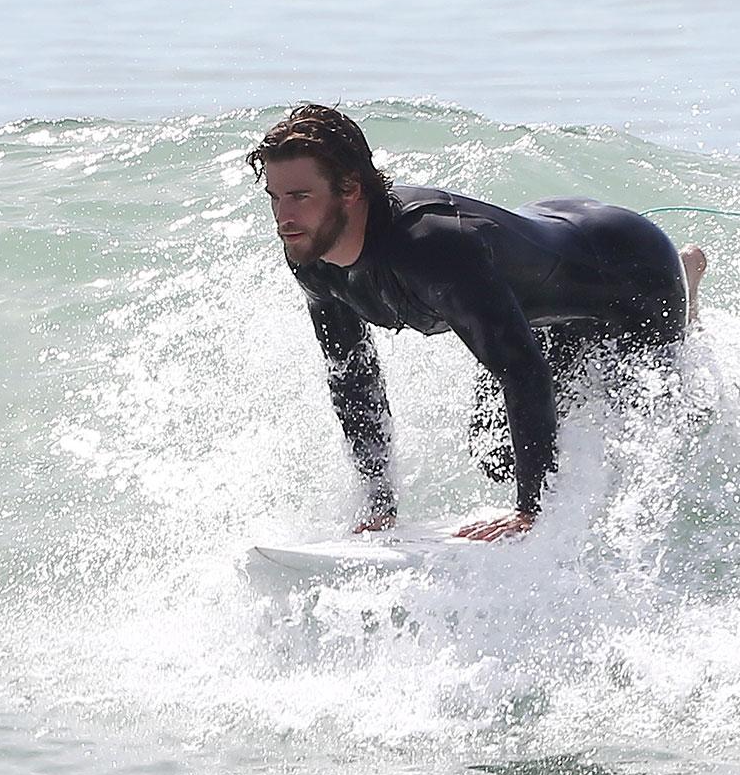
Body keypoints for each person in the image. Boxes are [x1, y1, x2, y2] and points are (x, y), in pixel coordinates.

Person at [246, 104, 707, 541]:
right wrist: (380, 503)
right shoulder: (311, 257)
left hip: (628, 270)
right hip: (545, 302)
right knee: (498, 455)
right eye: (276, 197)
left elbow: (520, 369)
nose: (284, 217)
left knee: (660, 428)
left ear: (350, 188)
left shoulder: (433, 249)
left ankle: (685, 290)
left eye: (300, 197)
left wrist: (529, 511)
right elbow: (352, 377)